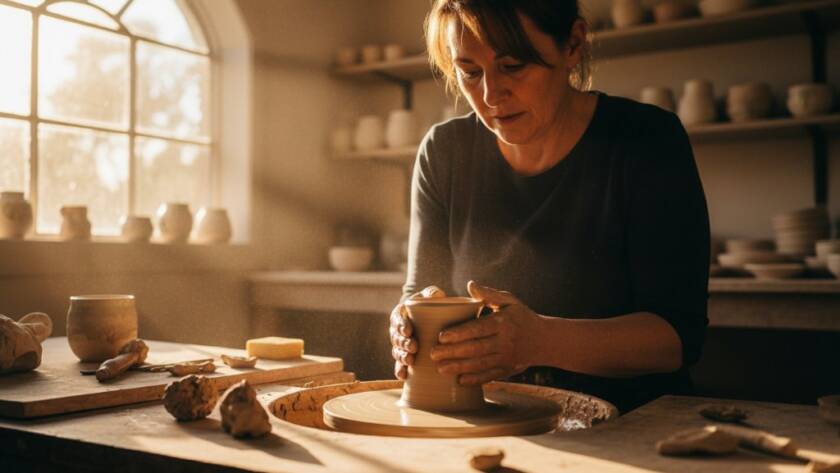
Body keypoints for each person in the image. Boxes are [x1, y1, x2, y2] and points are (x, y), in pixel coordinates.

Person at [389, 0, 710, 414]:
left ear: (573, 45)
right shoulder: (445, 152)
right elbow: (420, 293)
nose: (489, 95)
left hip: (635, 424)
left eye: (513, 66)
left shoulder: (646, 141)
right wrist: (405, 327)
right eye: (470, 72)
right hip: (499, 420)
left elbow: (677, 340)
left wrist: (537, 341)